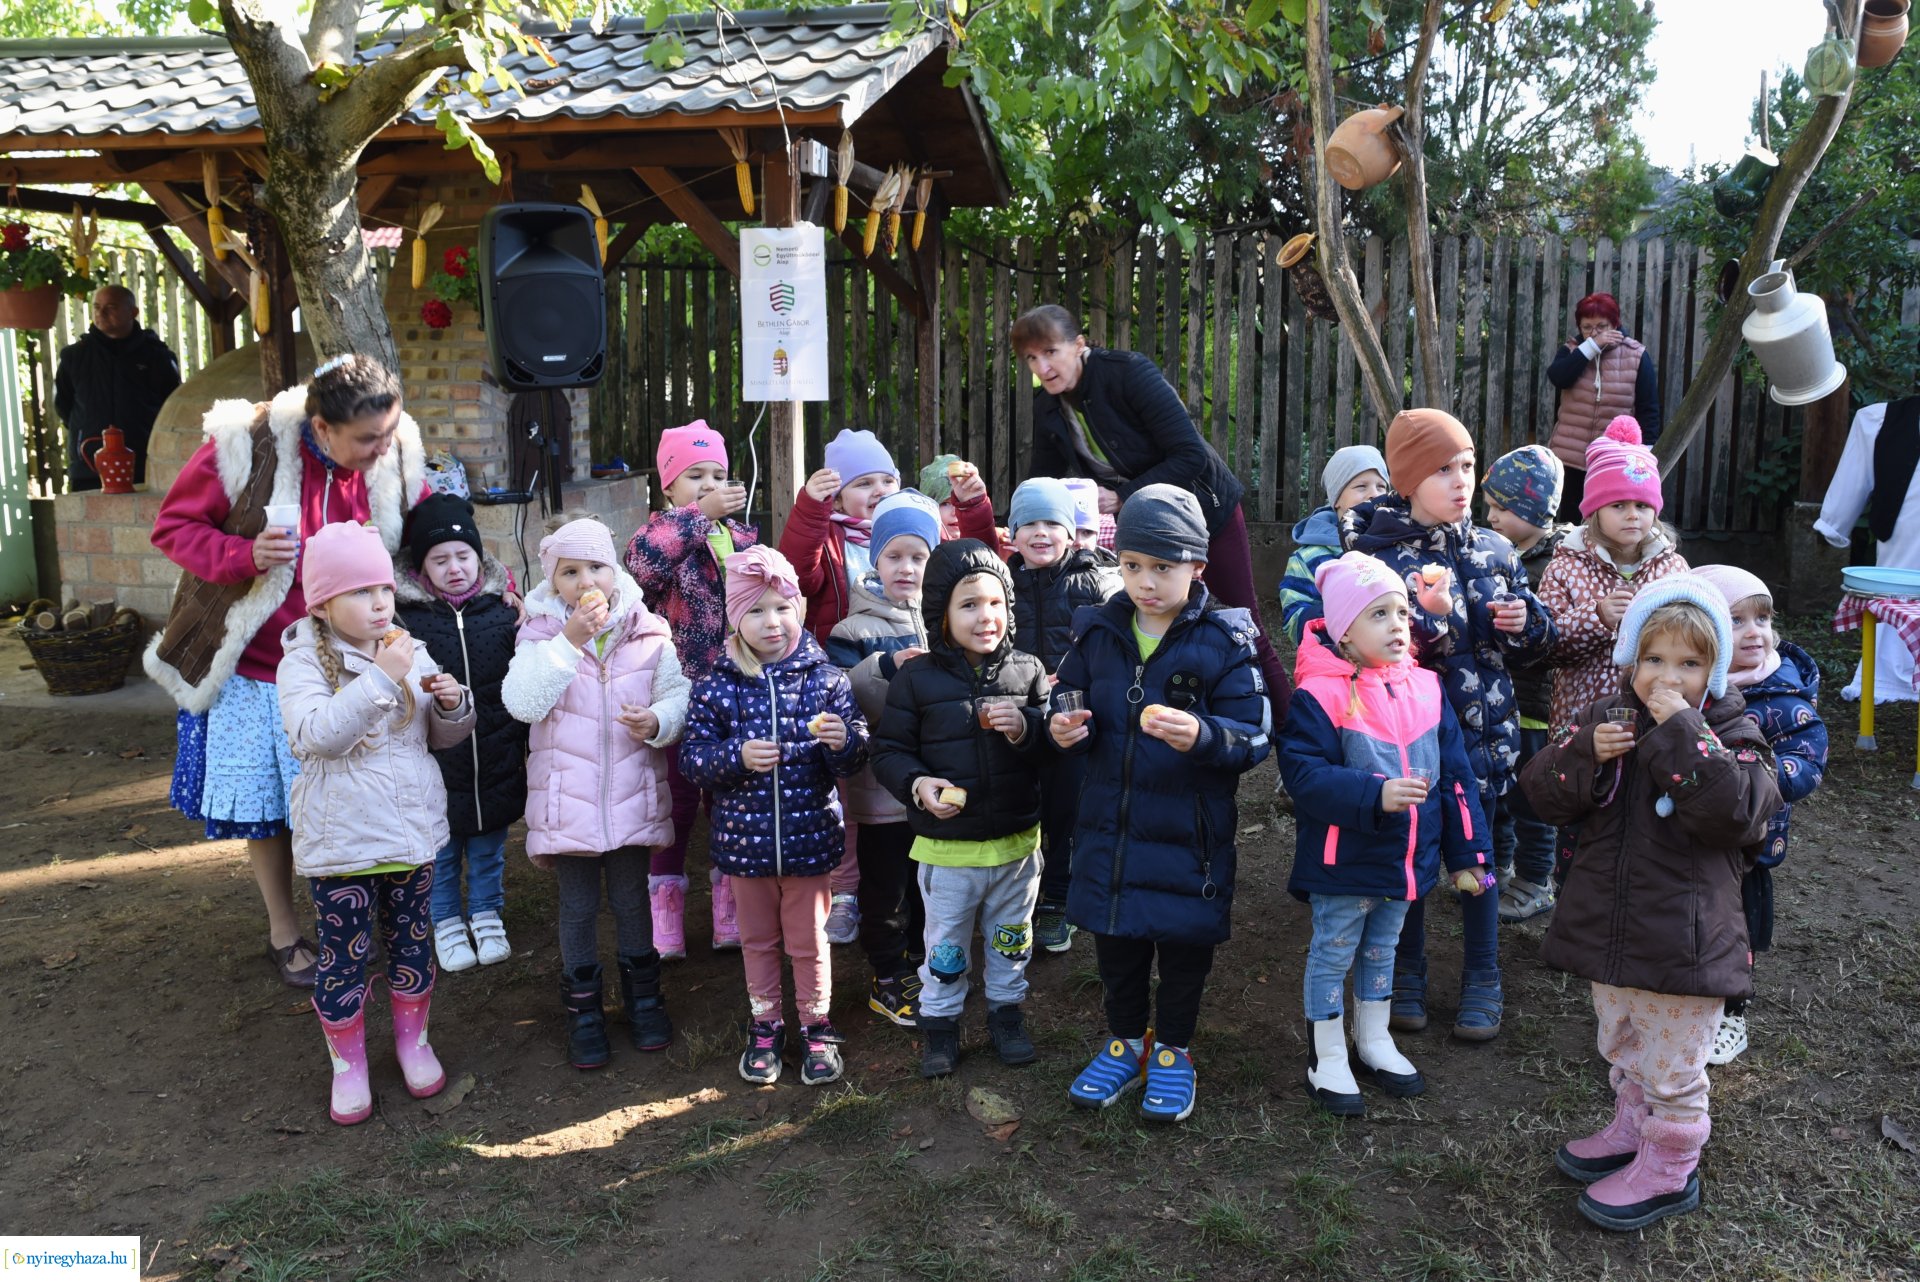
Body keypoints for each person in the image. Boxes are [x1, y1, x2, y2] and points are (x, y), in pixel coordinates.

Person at [148, 354, 430, 988]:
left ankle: (358, 922)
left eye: (389, 433)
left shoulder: (394, 447)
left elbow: (431, 521)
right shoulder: (245, 447)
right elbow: (173, 527)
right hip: (261, 663)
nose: (383, 449)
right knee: (269, 808)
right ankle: (284, 931)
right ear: (321, 427)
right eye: (367, 440)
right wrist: (240, 552)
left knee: (355, 799)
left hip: (353, 660)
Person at [1520, 576, 1780, 1231]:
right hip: (1613, 931)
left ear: (1712, 671)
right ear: (1631, 661)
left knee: (1674, 1061)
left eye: (1689, 664)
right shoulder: (1607, 720)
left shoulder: (1730, 729)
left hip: (1684, 939)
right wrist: (1582, 752)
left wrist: (1681, 728)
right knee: (1625, 1039)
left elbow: (1739, 813)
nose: (1669, 676)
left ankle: (1670, 1166)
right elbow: (1542, 797)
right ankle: (1633, 1126)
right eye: (1654, 660)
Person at [1050, 485, 1272, 1122]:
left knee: (1181, 952)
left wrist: (1203, 735)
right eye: (1132, 566)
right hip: (1110, 832)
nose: (1145, 582)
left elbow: (1255, 735)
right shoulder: (1098, 632)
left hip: (1187, 839)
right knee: (1116, 945)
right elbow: (1064, 698)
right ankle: (1123, 1041)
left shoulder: (1226, 640)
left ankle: (1172, 1049)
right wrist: (1063, 726)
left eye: (1163, 567)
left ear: (1197, 567)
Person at [1340, 409, 1555, 1041]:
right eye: (1442, 469)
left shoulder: (1495, 548)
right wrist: (1432, 620)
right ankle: (1406, 972)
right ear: (1407, 478)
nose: (1461, 481)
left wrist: (1526, 622)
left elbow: (1531, 649)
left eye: (1466, 466)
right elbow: (1373, 650)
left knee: (1479, 856)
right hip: (1412, 740)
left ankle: (1482, 976)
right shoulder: (1376, 556)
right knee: (1411, 857)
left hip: (1486, 739)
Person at [276, 521, 476, 1125]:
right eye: (361, 593)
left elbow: (440, 739)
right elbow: (316, 737)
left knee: (413, 943)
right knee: (344, 955)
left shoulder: (407, 646)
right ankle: (349, 1065)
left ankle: (413, 1044)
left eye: (384, 589)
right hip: (344, 846)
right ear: (322, 603)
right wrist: (383, 678)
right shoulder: (303, 662)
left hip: (410, 835)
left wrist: (451, 704)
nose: (380, 603)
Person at [1279, 553, 1490, 1117]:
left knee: (1382, 949)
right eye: (1378, 615)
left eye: (1402, 611)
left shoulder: (1427, 688)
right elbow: (1302, 775)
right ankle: (1326, 1053)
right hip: (1345, 861)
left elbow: (1457, 778)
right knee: (1334, 952)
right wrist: (1374, 793)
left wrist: (1468, 854)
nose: (1398, 624)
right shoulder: (1320, 695)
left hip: (1406, 862)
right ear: (1345, 633)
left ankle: (1372, 1038)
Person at [1013, 304, 1290, 720]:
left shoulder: (1128, 373)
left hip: (1206, 510)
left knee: (1243, 621)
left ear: (1079, 344)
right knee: (1151, 627)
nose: (1044, 366)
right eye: (1032, 358)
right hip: (1145, 533)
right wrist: (1016, 522)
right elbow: (1042, 480)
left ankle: (1297, 739)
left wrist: (1123, 496)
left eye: (1051, 351)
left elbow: (1190, 454)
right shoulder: (1048, 407)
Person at [781, 429, 999, 946]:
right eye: (862, 482)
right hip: (853, 663)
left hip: (925, 699)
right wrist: (811, 509)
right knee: (856, 800)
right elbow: (797, 572)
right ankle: (851, 891)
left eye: (885, 479)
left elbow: (979, 561)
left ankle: (938, 904)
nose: (877, 489)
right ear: (838, 494)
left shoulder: (919, 541)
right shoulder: (832, 538)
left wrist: (973, 506)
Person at [503, 515, 690, 1070]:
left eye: (596, 569)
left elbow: (678, 696)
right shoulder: (539, 635)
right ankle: (583, 1010)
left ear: (616, 572)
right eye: (570, 572)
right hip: (568, 804)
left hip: (631, 796)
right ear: (552, 581)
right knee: (579, 907)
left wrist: (657, 720)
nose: (585, 582)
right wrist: (569, 641)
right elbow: (523, 702)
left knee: (633, 901)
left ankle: (644, 997)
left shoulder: (649, 631)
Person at [681, 547, 869, 1086]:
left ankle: (816, 1024)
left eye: (783, 608)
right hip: (745, 847)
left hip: (810, 842)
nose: (773, 621)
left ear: (800, 608)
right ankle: (766, 1023)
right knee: (757, 941)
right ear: (736, 619)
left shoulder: (826, 679)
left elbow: (857, 752)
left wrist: (842, 741)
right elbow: (693, 759)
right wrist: (734, 758)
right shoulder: (717, 684)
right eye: (757, 610)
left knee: (810, 940)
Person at [870, 540, 1050, 1079]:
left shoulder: (1028, 671)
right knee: (944, 945)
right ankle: (941, 1026)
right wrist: (919, 783)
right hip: (947, 851)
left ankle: (1006, 1014)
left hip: (1017, 845)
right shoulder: (917, 679)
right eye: (969, 605)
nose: (985, 616)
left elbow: (1053, 751)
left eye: (996, 603)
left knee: (1011, 938)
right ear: (940, 614)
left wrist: (1028, 730)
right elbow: (889, 752)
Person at [624, 421, 760, 959]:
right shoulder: (659, 536)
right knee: (675, 804)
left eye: (718, 475)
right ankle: (666, 908)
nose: (708, 485)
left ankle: (728, 903)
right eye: (694, 475)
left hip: (735, 694)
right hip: (680, 694)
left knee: (729, 800)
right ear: (669, 489)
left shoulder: (744, 537)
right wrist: (699, 517)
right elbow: (641, 569)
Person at [1695, 565, 1828, 1065]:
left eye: (1763, 618)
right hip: (1690, 838)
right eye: (1736, 620)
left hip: (1750, 844)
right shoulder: (1689, 677)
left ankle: (1732, 1013)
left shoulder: (1781, 695)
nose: (1755, 632)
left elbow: (1807, 763)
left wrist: (1752, 774)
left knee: (1739, 930)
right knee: (1691, 920)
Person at [394, 493, 528, 971]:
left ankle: (487, 914)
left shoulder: (504, 611)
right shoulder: (403, 620)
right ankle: (447, 921)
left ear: (479, 556)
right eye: (440, 559)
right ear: (419, 565)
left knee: (490, 845)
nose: (454, 568)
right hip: (437, 761)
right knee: (443, 850)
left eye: (463, 555)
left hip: (496, 754)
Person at [827, 490, 939, 1028]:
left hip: (938, 783)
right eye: (895, 556)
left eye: (919, 557)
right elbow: (848, 693)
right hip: (883, 793)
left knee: (930, 883)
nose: (907, 568)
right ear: (875, 560)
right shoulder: (853, 631)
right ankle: (888, 972)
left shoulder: (947, 618)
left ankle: (925, 961)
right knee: (887, 886)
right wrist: (888, 666)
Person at [1538, 418, 1689, 740]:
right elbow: (1545, 645)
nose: (1633, 515)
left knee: (1644, 783)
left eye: (1643, 505)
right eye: (1618, 505)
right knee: (1583, 784)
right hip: (1581, 717)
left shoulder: (1672, 568)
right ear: (1594, 511)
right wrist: (1598, 617)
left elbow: (1693, 638)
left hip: (1654, 712)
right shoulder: (1566, 567)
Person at [1480, 445, 1572, 924]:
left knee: (1532, 796)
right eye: (1489, 506)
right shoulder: (1501, 552)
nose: (1490, 517)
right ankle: (1499, 866)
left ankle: (1537, 881)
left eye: (1502, 508)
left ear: (1535, 509)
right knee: (1498, 791)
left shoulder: (1556, 566)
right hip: (1501, 700)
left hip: (1535, 704)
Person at [1812, 397, 1920, 701]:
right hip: (1903, 548)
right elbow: (1851, 482)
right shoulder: (1880, 419)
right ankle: (1891, 674)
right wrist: (1834, 522)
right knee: (1902, 592)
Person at [1546, 291, 1663, 521]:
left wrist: (1644, 454)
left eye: (1602, 326)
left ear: (1615, 324)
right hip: (1571, 456)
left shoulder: (1636, 354)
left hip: (1614, 458)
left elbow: (1649, 408)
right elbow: (1559, 378)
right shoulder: (1572, 351)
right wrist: (1591, 347)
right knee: (1570, 520)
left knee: (1607, 520)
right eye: (1587, 327)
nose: (1594, 332)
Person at [55, 284, 180, 491]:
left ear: (133, 312)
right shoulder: (74, 357)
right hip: (88, 466)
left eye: (111, 307)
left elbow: (173, 405)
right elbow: (63, 405)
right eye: (96, 307)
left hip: (144, 465)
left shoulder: (157, 356)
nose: (101, 313)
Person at [1278, 444, 1392, 646]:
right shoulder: (1309, 557)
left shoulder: (1398, 546)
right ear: (1337, 499)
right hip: (1336, 665)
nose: (1374, 494)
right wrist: (1343, 608)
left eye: (1381, 486)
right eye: (1361, 486)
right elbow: (1294, 620)